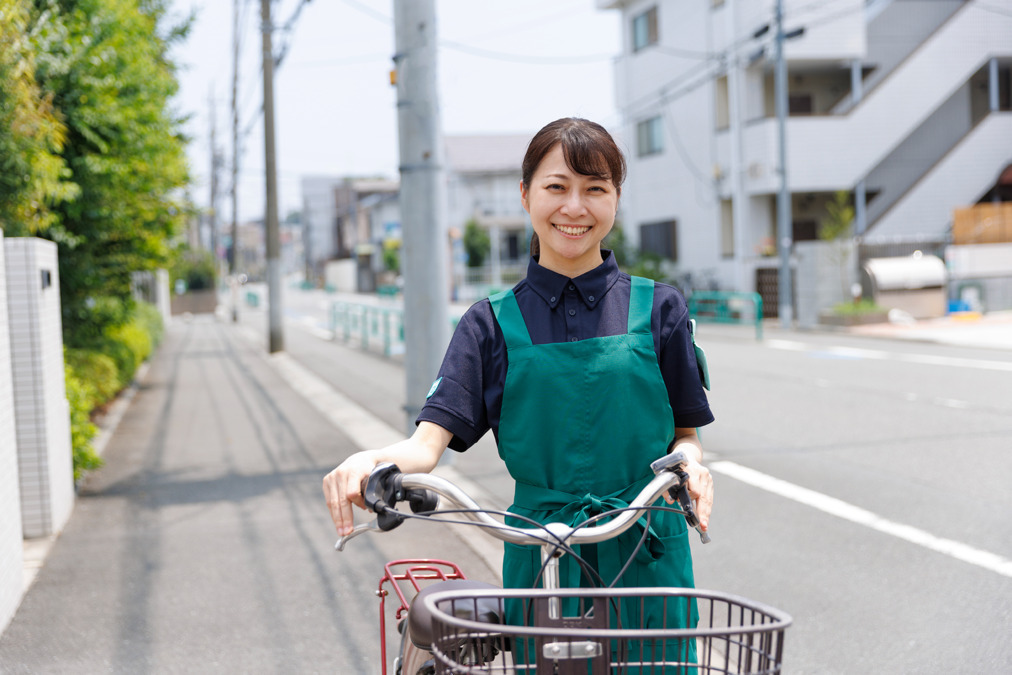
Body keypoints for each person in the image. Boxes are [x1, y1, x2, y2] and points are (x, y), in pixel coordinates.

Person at [323, 117, 714, 661]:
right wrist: (370, 460)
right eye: (557, 187)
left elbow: (685, 434)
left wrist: (691, 465)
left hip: (646, 550)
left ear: (615, 200)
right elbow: (425, 445)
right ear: (526, 194)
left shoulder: (661, 308)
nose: (574, 208)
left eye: (595, 189)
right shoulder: (489, 324)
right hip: (541, 551)